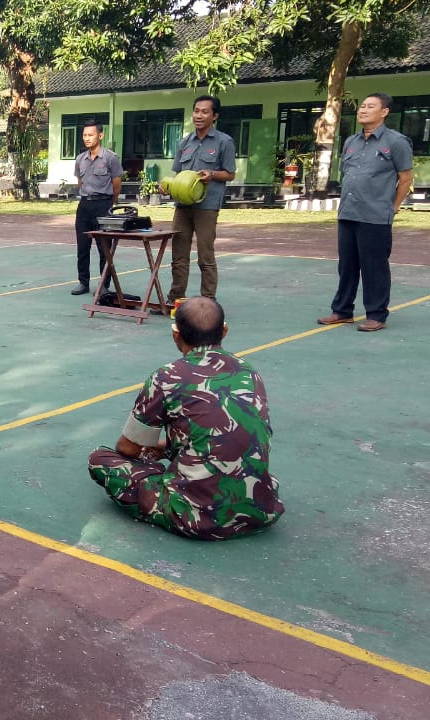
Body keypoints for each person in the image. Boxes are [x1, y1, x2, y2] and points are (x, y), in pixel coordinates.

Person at [87, 297, 284, 540]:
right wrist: (168, 447)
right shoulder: (249, 372)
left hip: (197, 519)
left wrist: (155, 451)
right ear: (224, 331)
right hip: (260, 510)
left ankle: (173, 491)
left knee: (100, 459)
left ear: (176, 335)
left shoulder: (167, 377)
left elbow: (127, 448)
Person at [318, 93, 414, 333]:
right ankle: (342, 311)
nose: (363, 110)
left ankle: (376, 314)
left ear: (384, 112)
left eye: (370, 106)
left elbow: (405, 178)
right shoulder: (351, 141)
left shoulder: (396, 142)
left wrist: (393, 207)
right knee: (347, 266)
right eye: (362, 106)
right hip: (349, 212)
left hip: (375, 215)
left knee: (374, 267)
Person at [167, 95, 237, 304]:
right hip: (182, 206)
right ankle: (176, 299)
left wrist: (212, 174)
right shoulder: (185, 142)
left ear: (215, 116)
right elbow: (177, 173)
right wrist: (168, 186)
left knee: (205, 255)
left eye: (205, 112)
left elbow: (230, 174)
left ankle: (208, 301)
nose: (199, 115)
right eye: (196, 111)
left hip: (207, 207)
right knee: (178, 256)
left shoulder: (224, 142)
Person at [70, 122, 124, 295]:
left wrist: (109, 205)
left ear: (100, 136)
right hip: (84, 205)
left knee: (104, 247)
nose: (87, 138)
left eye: (91, 135)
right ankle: (83, 282)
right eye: (84, 135)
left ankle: (104, 285)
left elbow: (117, 186)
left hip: (103, 205)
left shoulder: (110, 158)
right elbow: (80, 183)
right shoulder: (80, 159)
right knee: (82, 246)